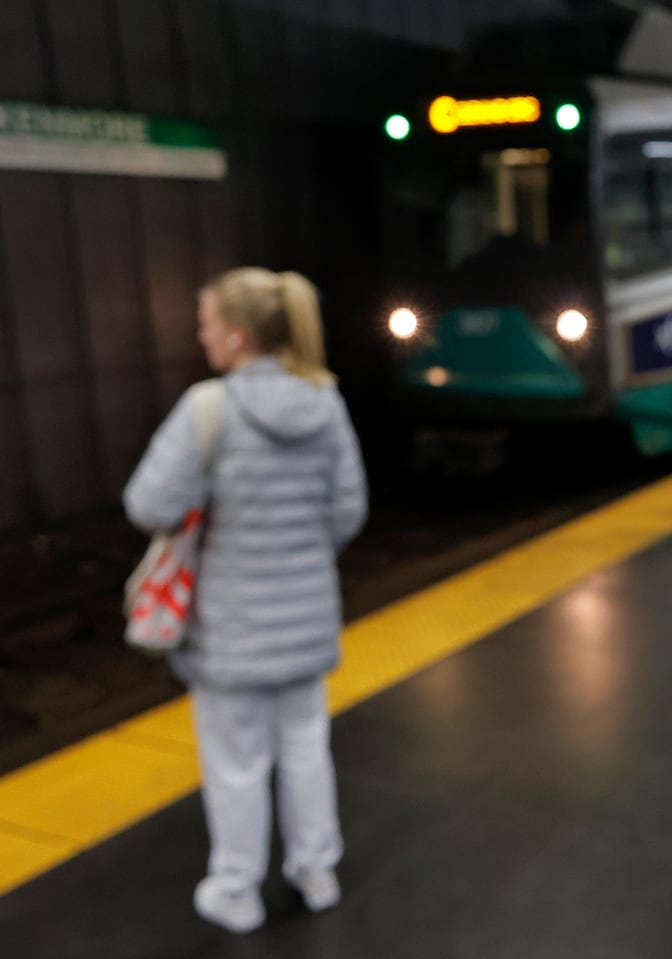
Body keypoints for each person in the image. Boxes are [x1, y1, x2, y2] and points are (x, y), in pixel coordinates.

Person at [124, 267, 367, 934]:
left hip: (231, 630)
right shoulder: (327, 402)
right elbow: (348, 510)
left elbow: (148, 503)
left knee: (236, 764)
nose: (200, 337)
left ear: (235, 335)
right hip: (306, 620)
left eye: (205, 325)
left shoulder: (210, 407)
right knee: (305, 748)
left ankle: (236, 888)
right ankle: (316, 871)